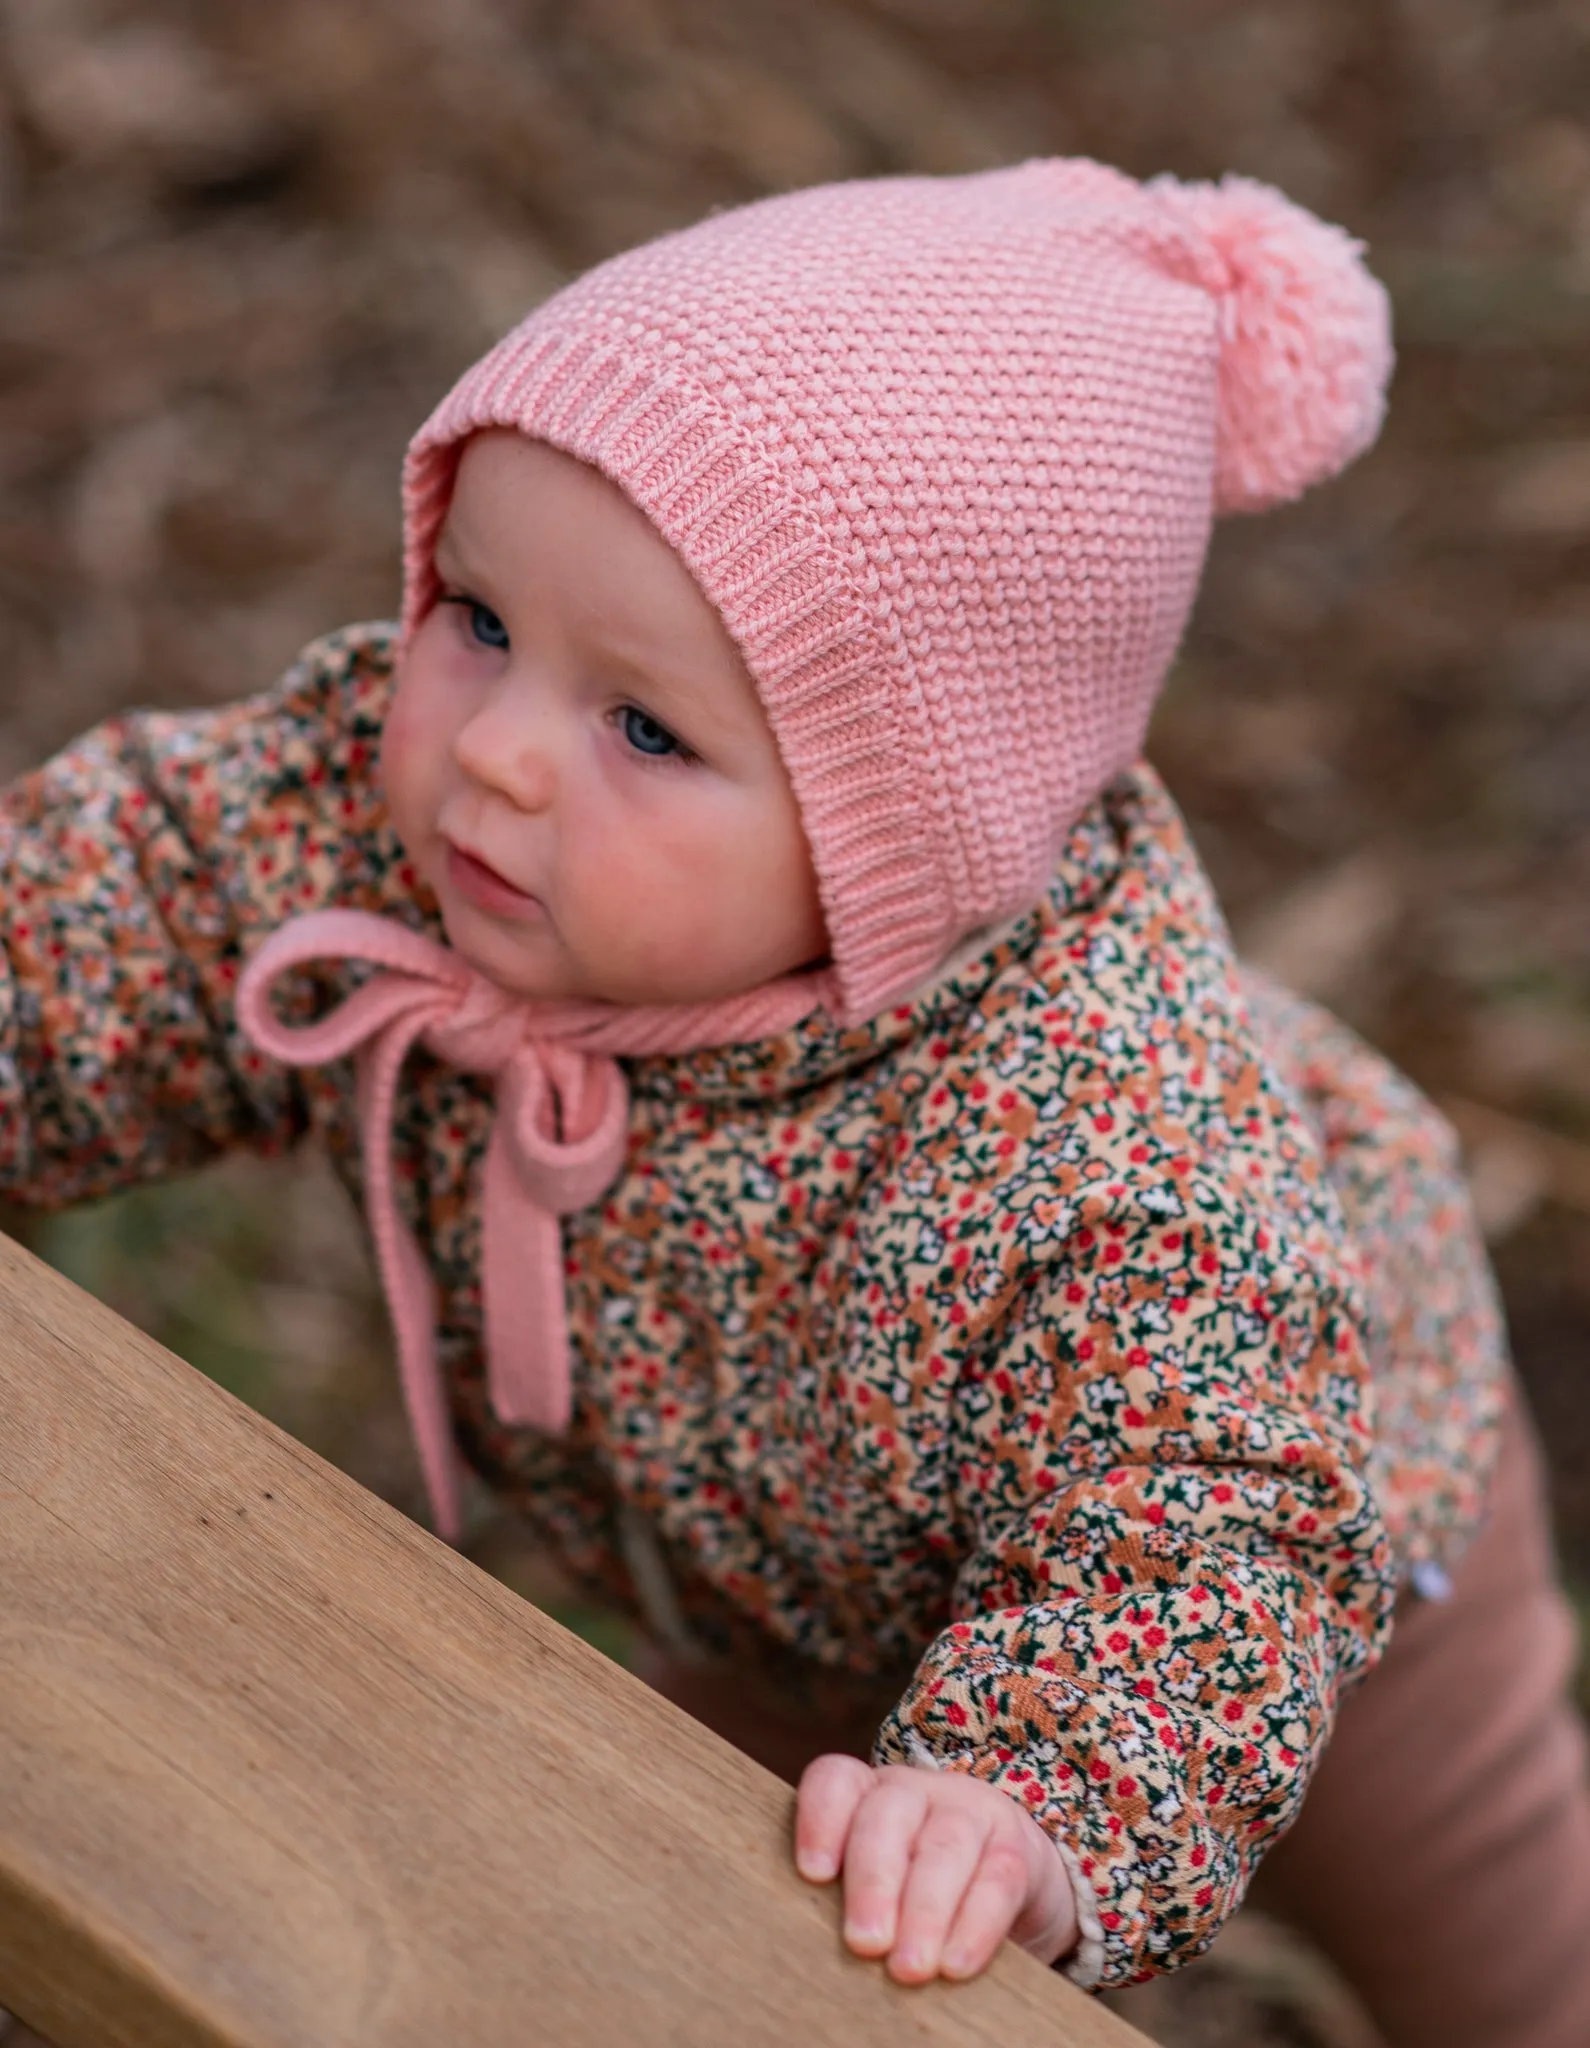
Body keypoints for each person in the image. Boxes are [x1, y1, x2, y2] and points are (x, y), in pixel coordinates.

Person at [2, 157, 1586, 2042]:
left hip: (1316, 1561)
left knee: (1490, 1949)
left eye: (646, 728)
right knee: (650, 1928)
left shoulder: (1107, 1162)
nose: (496, 753)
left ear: (892, 839)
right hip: (789, 1571)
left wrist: (1029, 1800)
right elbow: (139, 896)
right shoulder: (380, 821)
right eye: (480, 617)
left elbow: (1197, 1523)